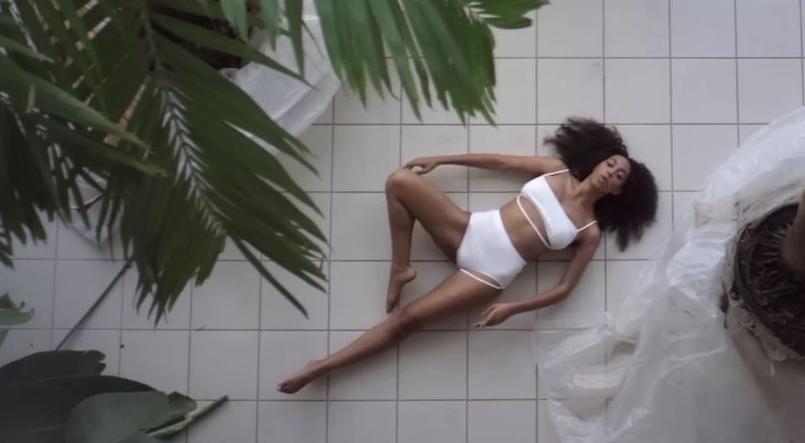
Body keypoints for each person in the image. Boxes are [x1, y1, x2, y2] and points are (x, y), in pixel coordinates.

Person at [278, 118, 659, 393]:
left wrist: (513, 307)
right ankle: (400, 268)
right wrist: (442, 160)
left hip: (489, 273)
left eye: (619, 176)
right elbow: (500, 162)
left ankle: (320, 368)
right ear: (599, 162)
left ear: (617, 192)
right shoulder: (554, 171)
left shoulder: (587, 231)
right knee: (399, 181)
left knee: (407, 321)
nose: (611, 172)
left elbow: (564, 289)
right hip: (471, 229)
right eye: (611, 164)